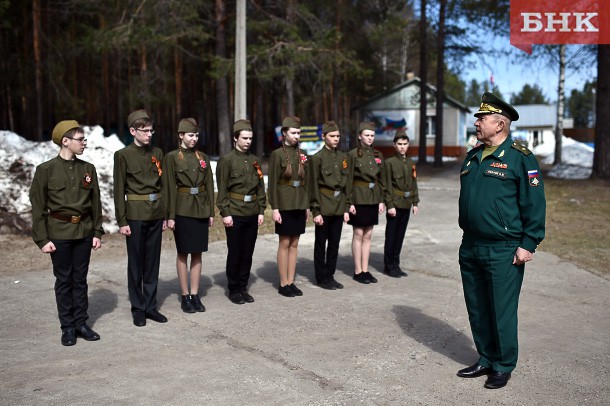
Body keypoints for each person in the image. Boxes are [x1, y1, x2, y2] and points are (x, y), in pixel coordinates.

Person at [456, 92, 546, 389]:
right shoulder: (473, 155)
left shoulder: (521, 158)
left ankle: (504, 364)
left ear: (500, 124)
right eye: (478, 117)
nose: (477, 122)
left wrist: (528, 243)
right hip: (471, 244)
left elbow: (534, 204)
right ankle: (485, 357)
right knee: (478, 306)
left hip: (503, 248)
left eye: (482, 118)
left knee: (501, 309)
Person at [29, 120, 104, 346]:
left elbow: (95, 203)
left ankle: (81, 322)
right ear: (65, 141)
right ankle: (68, 327)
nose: (84, 143)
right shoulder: (45, 170)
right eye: (80, 139)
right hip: (59, 233)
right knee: (64, 280)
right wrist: (42, 239)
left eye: (84, 139)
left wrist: (97, 232)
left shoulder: (87, 169)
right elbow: (38, 207)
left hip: (83, 231)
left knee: (80, 280)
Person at [113, 109, 168, 327]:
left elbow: (163, 186)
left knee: (152, 262)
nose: (149, 134)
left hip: (155, 213)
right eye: (144, 131)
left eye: (151, 130)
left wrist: (164, 215)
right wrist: (122, 220)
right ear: (133, 131)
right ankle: (138, 308)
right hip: (135, 215)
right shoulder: (123, 155)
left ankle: (150, 306)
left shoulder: (158, 153)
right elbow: (119, 190)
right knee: (136, 263)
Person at [164, 118, 214, 313]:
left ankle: (195, 294)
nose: (194, 139)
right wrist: (170, 215)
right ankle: (184, 295)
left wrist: (210, 211)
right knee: (183, 252)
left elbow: (209, 184)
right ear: (181, 136)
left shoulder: (203, 157)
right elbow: (168, 187)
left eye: (196, 135)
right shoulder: (172, 157)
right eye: (190, 135)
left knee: (198, 253)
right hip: (182, 209)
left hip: (200, 208)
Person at [216, 119, 266, 304]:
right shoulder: (227, 160)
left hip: (252, 211)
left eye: (250, 138)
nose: (248, 141)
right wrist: (225, 212)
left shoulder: (254, 160)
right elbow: (222, 189)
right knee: (235, 251)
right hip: (235, 212)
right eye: (244, 138)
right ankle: (234, 288)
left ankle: (243, 287)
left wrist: (261, 209)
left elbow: (260, 187)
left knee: (248, 252)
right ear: (235, 138)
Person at [268, 116, 309, 297]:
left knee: (295, 243)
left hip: (299, 203)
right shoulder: (277, 155)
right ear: (284, 133)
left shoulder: (301, 153)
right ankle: (283, 283)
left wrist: (306, 206)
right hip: (284, 203)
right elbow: (273, 184)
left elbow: (305, 181)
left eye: (299, 133)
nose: (296, 136)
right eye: (293, 133)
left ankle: (291, 281)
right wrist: (275, 208)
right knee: (284, 242)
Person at [307, 120, 349, 290]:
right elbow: (313, 186)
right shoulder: (317, 158)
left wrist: (346, 207)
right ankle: (321, 277)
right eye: (332, 136)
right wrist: (315, 210)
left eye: (338, 136)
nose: (336, 139)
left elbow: (347, 185)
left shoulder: (343, 158)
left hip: (338, 206)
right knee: (320, 243)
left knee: (334, 243)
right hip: (323, 205)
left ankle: (330, 275)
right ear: (324, 137)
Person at [346, 121, 386, 284]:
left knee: (368, 234)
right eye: (367, 135)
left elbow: (381, 179)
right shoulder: (353, 154)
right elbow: (348, 180)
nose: (370, 138)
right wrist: (350, 202)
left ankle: (365, 269)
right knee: (358, 233)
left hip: (372, 197)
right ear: (359, 136)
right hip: (358, 197)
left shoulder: (378, 155)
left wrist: (381, 200)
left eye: (372, 135)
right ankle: (357, 271)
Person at [383, 130, 419, 278]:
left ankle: (396, 264)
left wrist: (415, 202)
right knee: (391, 236)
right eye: (399, 144)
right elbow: (386, 186)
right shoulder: (389, 163)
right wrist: (389, 205)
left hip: (407, 203)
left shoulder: (410, 162)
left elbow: (413, 183)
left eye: (405, 144)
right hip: (395, 204)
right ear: (394, 145)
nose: (402, 147)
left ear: (408, 145)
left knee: (400, 236)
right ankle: (388, 265)